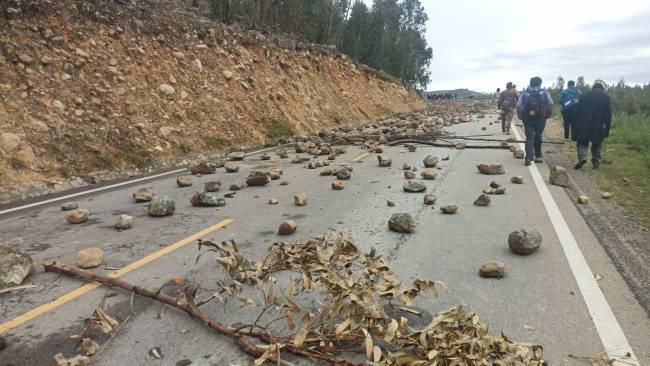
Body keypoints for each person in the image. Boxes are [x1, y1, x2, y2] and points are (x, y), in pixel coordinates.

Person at [572, 79, 612, 169]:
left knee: (582, 142)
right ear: (603, 87)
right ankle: (596, 162)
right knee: (597, 144)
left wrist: (574, 125)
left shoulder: (585, 95)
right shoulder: (606, 97)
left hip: (583, 124)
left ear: (593, 86)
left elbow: (577, 111)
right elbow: (608, 115)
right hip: (598, 125)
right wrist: (607, 129)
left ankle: (582, 158)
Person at [516, 77, 554, 166]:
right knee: (538, 135)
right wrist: (547, 114)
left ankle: (528, 158)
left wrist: (521, 117)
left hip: (528, 118)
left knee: (529, 137)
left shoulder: (525, 94)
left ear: (530, 83)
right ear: (540, 83)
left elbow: (518, 106)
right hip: (541, 118)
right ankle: (538, 155)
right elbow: (551, 103)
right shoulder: (544, 92)